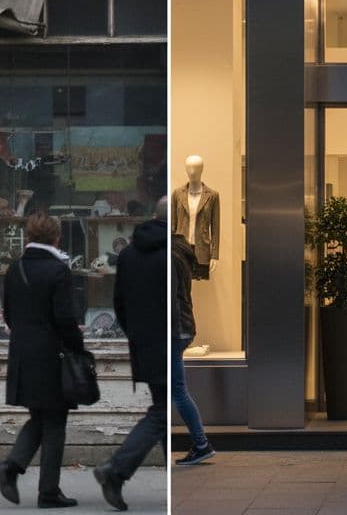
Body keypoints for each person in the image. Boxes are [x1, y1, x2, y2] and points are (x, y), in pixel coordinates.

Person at [0, 212, 84, 508]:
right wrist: (77, 346)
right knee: (55, 420)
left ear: (29, 237)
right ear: (56, 237)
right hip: (52, 355)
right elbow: (64, 318)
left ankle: (11, 467)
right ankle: (48, 491)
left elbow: (8, 313)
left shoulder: (15, 268)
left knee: (39, 416)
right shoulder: (59, 270)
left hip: (22, 352)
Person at [94, 197, 169, 511]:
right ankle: (116, 470)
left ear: (154, 215)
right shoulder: (169, 254)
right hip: (168, 342)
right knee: (163, 413)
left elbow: (119, 304)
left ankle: (171, 485)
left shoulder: (127, 255)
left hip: (143, 343)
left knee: (163, 407)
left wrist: (135, 334)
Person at [171, 233, 216, 466]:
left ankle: (201, 444)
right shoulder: (180, 252)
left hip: (175, 330)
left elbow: (170, 300)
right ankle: (200, 444)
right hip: (181, 328)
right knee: (174, 390)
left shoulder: (170, 256)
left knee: (176, 391)